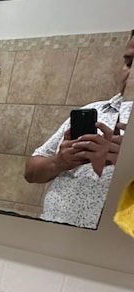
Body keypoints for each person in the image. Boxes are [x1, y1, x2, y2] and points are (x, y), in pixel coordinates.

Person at [24, 31, 133, 228]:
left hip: (107, 250)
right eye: (128, 62)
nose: (130, 72)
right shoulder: (95, 111)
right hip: (47, 231)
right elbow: (30, 172)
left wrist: (124, 164)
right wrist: (58, 162)